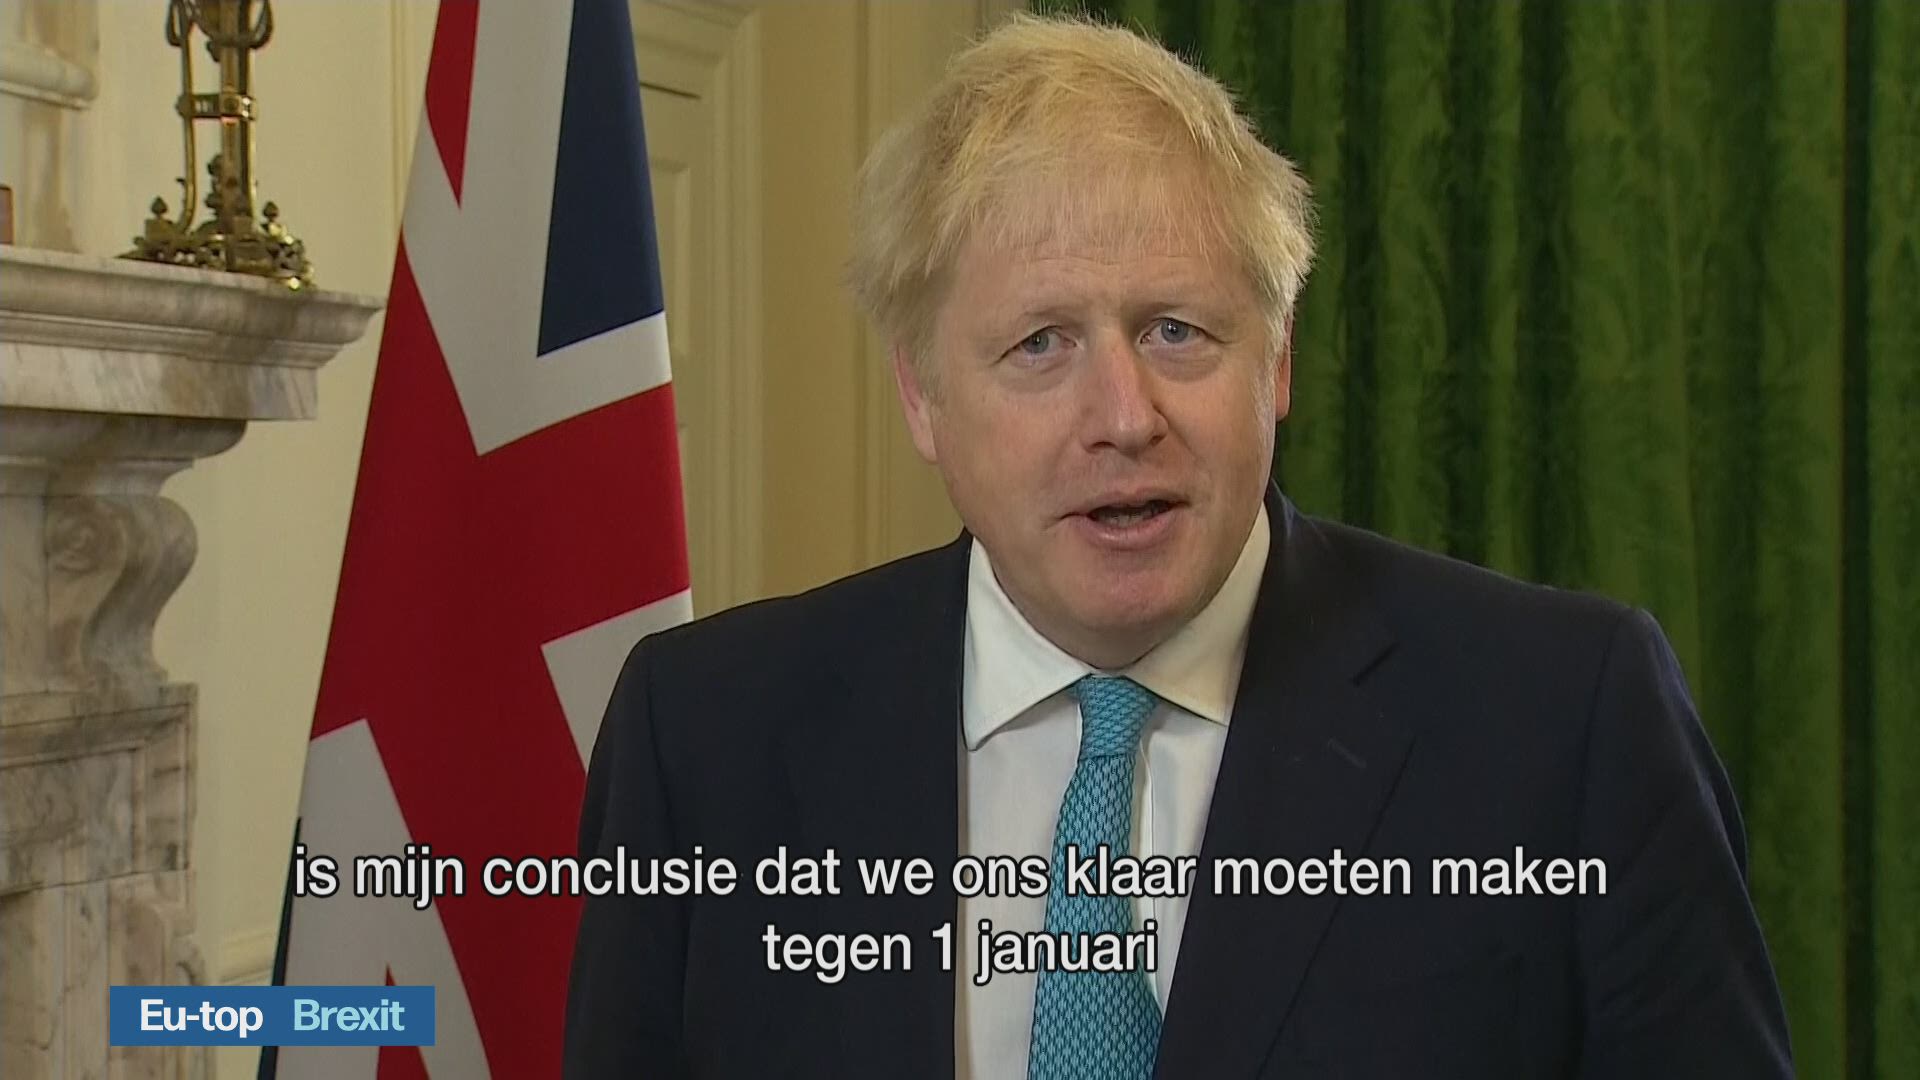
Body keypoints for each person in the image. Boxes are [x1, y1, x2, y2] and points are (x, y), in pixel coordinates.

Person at [563, 14, 1792, 1079]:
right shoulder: (704, 736)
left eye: (1176, 332)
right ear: (922, 396)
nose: (1123, 416)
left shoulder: (1565, 720)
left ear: (1278, 361)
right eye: (1040, 344)